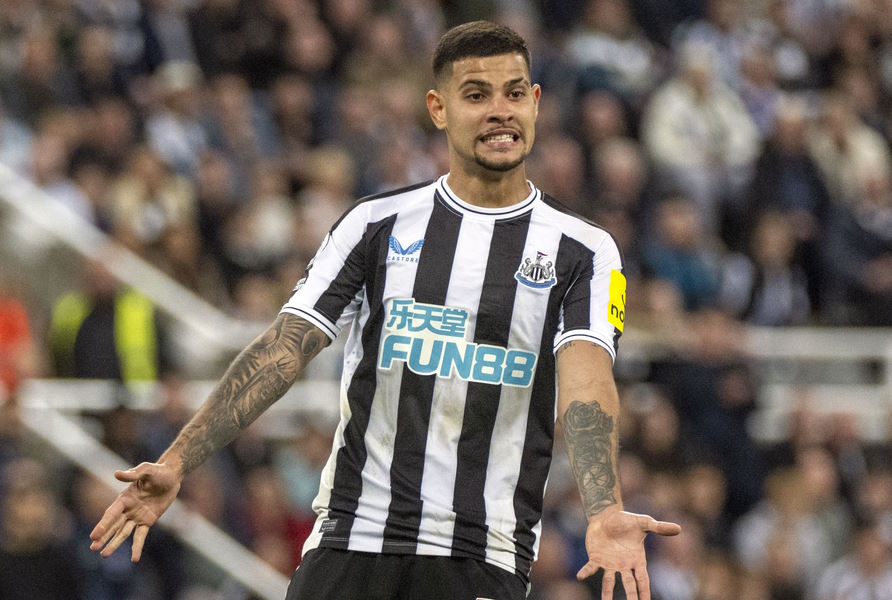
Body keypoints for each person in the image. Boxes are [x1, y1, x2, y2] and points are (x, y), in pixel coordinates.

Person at [89, 21, 680, 600]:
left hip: (481, 553)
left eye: (515, 93)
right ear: (438, 109)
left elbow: (586, 380)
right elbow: (284, 347)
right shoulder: (374, 225)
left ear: (537, 103)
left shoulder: (585, 251)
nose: (500, 111)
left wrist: (604, 508)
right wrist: (178, 460)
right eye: (477, 95)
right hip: (352, 538)